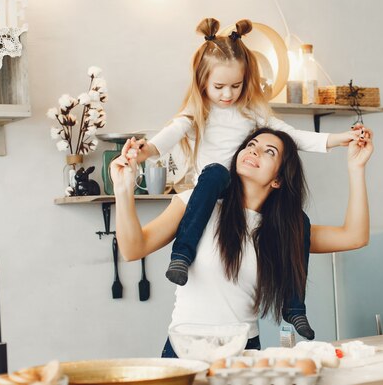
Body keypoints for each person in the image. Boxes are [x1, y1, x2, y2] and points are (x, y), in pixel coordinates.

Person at [129, 17, 365, 339]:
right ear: (202, 83)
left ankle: (294, 308)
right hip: (211, 190)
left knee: (301, 221)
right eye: (219, 87)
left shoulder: (254, 116)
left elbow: (292, 136)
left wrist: (338, 141)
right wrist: (145, 153)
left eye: (235, 86)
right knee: (213, 174)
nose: (227, 95)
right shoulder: (197, 115)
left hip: (244, 346)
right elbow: (169, 136)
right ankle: (182, 255)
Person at [110, 126, 373, 356]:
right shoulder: (198, 203)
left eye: (270, 152)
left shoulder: (284, 230)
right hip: (185, 351)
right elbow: (134, 249)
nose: (254, 152)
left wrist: (356, 168)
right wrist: (123, 190)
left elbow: (355, 237)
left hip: (244, 353)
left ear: (279, 179)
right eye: (251, 145)